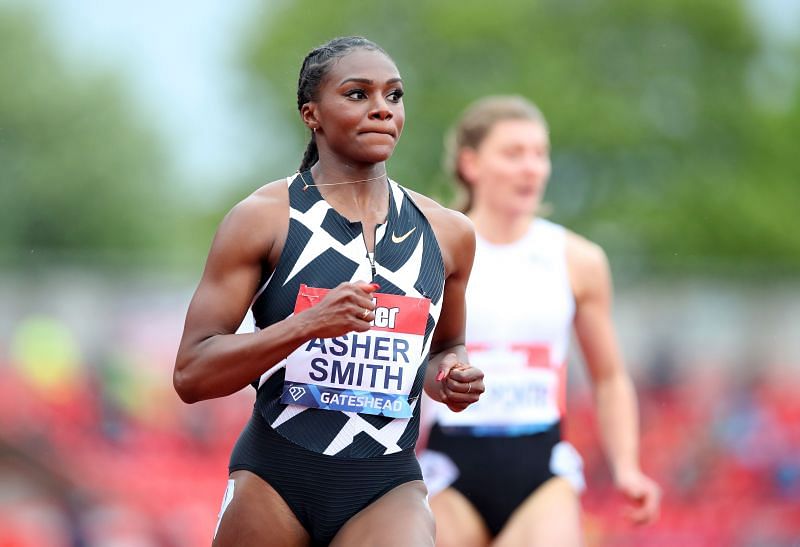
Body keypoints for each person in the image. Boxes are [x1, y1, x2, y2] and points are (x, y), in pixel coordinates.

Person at [172, 36, 484, 547]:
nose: (382, 109)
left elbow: (445, 348)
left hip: (383, 482)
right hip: (275, 478)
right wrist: (308, 325)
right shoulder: (264, 218)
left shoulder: (448, 233)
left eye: (394, 96)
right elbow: (191, 374)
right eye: (358, 94)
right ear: (311, 113)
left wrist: (451, 374)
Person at [418, 96, 661, 547]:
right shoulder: (431, 253)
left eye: (540, 153)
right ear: (471, 164)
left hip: (541, 468)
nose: (532, 168)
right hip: (449, 464)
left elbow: (609, 377)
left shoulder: (579, 260)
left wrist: (627, 466)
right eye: (514, 153)